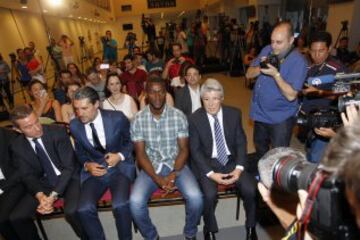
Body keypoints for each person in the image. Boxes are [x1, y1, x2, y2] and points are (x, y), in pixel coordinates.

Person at [130, 76, 203, 240]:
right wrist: (157, 179)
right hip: (151, 167)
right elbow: (140, 154)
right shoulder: (138, 119)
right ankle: (152, 236)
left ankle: (190, 232)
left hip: (176, 164)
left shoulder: (178, 116)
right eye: (153, 92)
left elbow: (184, 149)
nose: (157, 96)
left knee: (196, 198)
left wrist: (173, 174)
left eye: (161, 92)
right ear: (146, 94)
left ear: (166, 94)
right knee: (135, 202)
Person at [188, 78, 258, 240]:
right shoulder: (194, 119)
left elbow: (241, 142)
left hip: (232, 160)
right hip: (208, 162)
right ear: (201, 99)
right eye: (206, 99)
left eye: (215, 98)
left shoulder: (234, 113)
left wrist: (239, 169)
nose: (210, 104)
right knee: (210, 194)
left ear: (222, 98)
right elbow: (195, 151)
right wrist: (211, 174)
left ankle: (251, 227)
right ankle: (209, 229)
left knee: (250, 189)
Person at [9, 105, 85, 240]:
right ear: (17, 130)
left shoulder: (58, 132)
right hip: (44, 183)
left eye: (36, 121)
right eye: (28, 127)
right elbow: (27, 175)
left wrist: (52, 196)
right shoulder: (17, 147)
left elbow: (69, 167)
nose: (37, 128)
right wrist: (40, 196)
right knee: (17, 217)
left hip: (68, 178)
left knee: (72, 211)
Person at [70, 87, 135, 240]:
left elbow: (131, 141)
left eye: (84, 108)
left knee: (120, 205)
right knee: (83, 209)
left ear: (96, 104)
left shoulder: (117, 118)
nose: (80, 113)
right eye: (76, 108)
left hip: (118, 169)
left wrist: (119, 156)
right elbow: (79, 152)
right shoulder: (74, 125)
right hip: (94, 172)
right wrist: (87, 165)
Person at [246, 21, 307, 160]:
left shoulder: (299, 61)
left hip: (280, 118)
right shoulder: (267, 49)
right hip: (259, 113)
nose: (274, 46)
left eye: (279, 42)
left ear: (291, 40)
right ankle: (262, 174)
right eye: (272, 41)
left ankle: (276, 181)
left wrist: (276, 75)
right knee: (260, 147)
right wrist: (262, 68)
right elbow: (248, 74)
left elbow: (291, 96)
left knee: (279, 156)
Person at [300, 31, 346, 163]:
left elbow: (344, 94)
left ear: (329, 48)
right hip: (309, 117)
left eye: (321, 51)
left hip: (326, 120)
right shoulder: (308, 66)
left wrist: (321, 93)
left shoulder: (338, 69)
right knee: (309, 151)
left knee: (316, 158)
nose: (316, 55)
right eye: (313, 51)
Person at [0, 127, 26, 240]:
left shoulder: (11, 136)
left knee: (2, 220)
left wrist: (1, 188)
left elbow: (21, 170)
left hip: (16, 183)